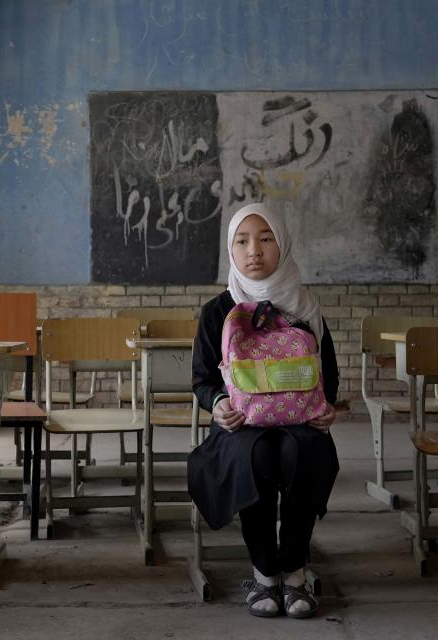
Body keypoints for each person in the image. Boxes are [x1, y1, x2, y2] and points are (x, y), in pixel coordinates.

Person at [187, 202, 340, 619]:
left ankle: (294, 571)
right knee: (254, 456)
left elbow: (327, 375)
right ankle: (264, 573)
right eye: (243, 241)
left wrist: (327, 410)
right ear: (231, 252)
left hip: (301, 422)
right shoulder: (218, 311)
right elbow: (203, 379)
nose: (254, 250)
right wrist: (218, 405)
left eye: (266, 238)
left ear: (283, 245)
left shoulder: (305, 306)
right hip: (241, 426)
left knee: (300, 453)